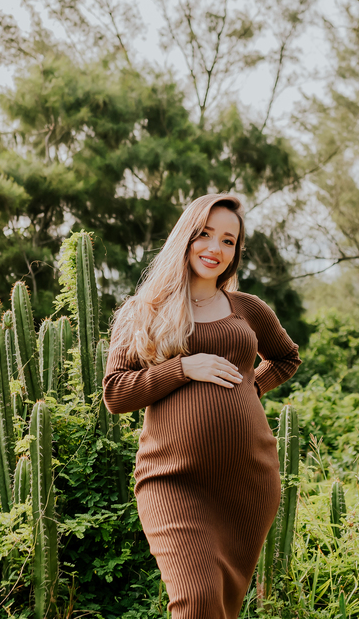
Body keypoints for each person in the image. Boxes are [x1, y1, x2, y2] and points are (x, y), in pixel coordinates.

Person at [103, 193, 301, 619]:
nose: (215, 249)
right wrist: (182, 369)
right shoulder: (143, 311)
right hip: (172, 479)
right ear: (186, 237)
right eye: (205, 235)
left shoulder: (247, 309)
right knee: (197, 602)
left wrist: (250, 388)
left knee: (222, 606)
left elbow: (286, 358)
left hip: (248, 481)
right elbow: (116, 393)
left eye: (228, 241)